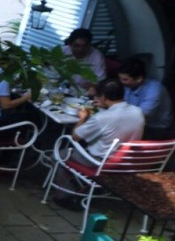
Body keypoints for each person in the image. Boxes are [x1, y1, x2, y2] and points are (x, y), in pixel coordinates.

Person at [51, 79, 146, 209]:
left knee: (59, 154)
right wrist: (104, 107)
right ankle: (84, 185)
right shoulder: (138, 112)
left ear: (103, 97)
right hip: (125, 162)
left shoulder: (102, 118)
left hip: (99, 161)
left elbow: (76, 137)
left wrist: (83, 118)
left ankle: (65, 196)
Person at [116, 57, 172, 139]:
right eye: (120, 79)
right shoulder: (128, 86)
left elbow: (141, 116)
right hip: (137, 123)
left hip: (155, 128)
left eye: (125, 79)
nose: (121, 82)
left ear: (139, 79)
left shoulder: (154, 89)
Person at [60, 28, 108, 95]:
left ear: (90, 45)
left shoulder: (97, 56)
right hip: (61, 87)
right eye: (77, 46)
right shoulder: (62, 52)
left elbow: (101, 80)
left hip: (83, 92)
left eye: (84, 46)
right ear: (70, 44)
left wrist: (94, 85)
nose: (80, 49)